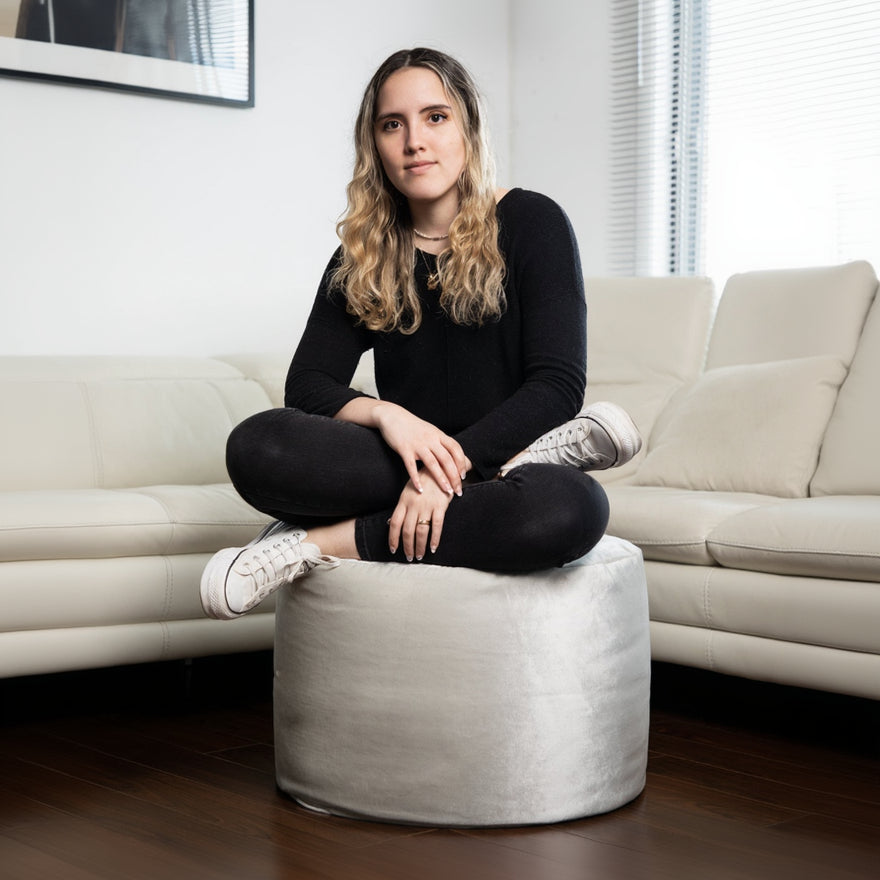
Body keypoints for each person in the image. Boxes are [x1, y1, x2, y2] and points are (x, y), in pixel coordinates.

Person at [200, 47, 641, 621]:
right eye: (393, 124)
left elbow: (557, 387)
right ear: (375, 146)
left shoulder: (534, 222)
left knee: (569, 511)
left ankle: (317, 544)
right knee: (257, 446)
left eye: (435, 117)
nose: (414, 141)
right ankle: (495, 483)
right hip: (403, 459)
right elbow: (307, 384)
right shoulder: (362, 254)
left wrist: (445, 475)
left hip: (496, 448)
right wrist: (390, 417)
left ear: (468, 129)